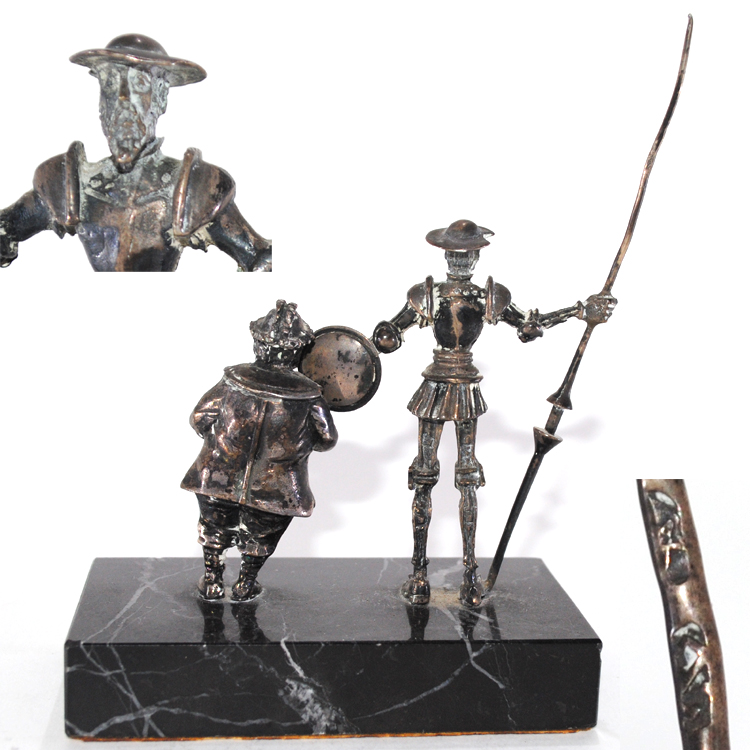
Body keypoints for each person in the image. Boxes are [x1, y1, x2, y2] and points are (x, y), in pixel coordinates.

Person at [373, 219, 615, 607]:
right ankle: (420, 573)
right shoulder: (428, 294)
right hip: (438, 385)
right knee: (426, 476)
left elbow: (529, 327)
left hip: (462, 387)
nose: (460, 260)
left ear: (475, 256)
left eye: (465, 254)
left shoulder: (488, 296)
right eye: (456, 254)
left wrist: (578, 310)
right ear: (447, 255)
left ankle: (468, 574)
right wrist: (382, 337)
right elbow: (391, 331)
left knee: (464, 476)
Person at [0, 34, 271, 271]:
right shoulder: (69, 185)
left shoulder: (196, 190)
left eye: (138, 85)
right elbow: (5, 229)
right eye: (109, 85)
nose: (122, 100)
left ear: (161, 97)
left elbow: (261, 258)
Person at [182, 301, 338, 601]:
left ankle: (213, 579)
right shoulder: (309, 395)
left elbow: (199, 418)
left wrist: (219, 442)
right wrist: (299, 449)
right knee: (262, 535)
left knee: (214, 527)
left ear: (258, 344)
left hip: (217, 475)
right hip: (277, 486)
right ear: (298, 353)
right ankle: (246, 582)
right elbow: (327, 438)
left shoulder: (232, 382)